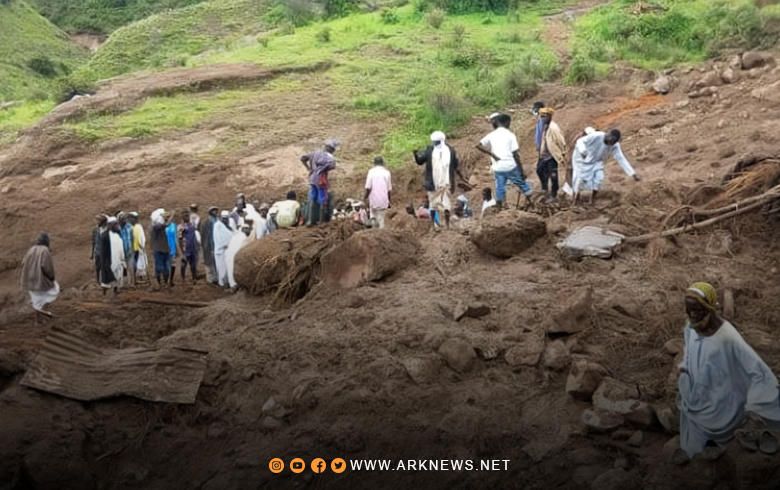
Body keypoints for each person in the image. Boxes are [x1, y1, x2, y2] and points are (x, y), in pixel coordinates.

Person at [676, 282, 780, 463]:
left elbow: (757, 369)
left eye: (697, 309)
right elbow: (691, 356)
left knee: (716, 422)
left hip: (725, 398)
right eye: (689, 309)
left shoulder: (727, 336)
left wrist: (758, 400)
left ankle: (743, 428)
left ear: (709, 307)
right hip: (701, 393)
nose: (692, 314)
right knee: (687, 402)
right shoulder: (690, 328)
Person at [476, 114, 533, 210]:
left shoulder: (491, 135)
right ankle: (531, 202)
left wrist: (492, 155)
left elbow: (478, 145)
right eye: (509, 123)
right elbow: (515, 155)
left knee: (500, 186)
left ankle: (499, 206)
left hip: (498, 167)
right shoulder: (510, 135)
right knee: (522, 183)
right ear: (506, 123)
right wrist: (521, 171)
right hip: (510, 166)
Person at [571, 129, 641, 205]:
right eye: (611, 141)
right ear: (609, 135)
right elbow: (580, 141)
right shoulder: (596, 135)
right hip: (582, 157)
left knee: (599, 178)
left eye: (614, 142)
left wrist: (632, 173)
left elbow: (621, 158)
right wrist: (583, 151)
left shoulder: (615, 145)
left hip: (597, 161)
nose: (611, 143)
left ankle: (592, 200)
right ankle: (575, 200)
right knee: (580, 178)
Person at [414, 131, 460, 228]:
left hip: (432, 183)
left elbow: (419, 161)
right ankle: (447, 224)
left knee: (433, 204)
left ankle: (434, 225)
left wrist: (415, 154)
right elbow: (455, 165)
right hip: (447, 182)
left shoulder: (429, 150)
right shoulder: (451, 150)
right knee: (446, 203)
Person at [301, 140, 338, 226]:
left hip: (312, 179)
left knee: (312, 199)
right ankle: (321, 222)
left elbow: (302, 158)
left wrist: (308, 168)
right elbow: (333, 166)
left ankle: (310, 221)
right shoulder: (329, 157)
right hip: (321, 180)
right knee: (322, 200)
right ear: (332, 149)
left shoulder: (315, 153)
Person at [20, 233, 58, 317]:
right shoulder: (45, 250)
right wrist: (51, 277)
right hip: (39, 280)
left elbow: (23, 262)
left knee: (35, 295)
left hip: (29, 279)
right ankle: (39, 309)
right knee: (54, 289)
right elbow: (47, 267)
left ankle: (37, 309)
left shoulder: (31, 249)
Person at [536, 107, 567, 203]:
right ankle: (545, 188)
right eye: (541, 117)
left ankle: (554, 195)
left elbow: (561, 141)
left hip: (552, 155)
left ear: (550, 116)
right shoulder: (545, 126)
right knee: (539, 170)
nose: (543, 118)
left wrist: (562, 152)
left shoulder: (553, 128)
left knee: (553, 175)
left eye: (545, 116)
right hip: (544, 154)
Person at [364, 156, 392, 229]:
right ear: (383, 163)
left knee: (373, 219)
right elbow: (389, 190)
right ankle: (381, 232)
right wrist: (389, 201)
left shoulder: (371, 172)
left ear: (374, 163)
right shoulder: (387, 173)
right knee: (381, 220)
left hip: (373, 200)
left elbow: (368, 187)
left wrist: (365, 197)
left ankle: (374, 231)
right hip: (383, 200)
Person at [101, 217, 125, 295]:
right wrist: (105, 262)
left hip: (118, 258)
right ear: (109, 225)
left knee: (118, 275)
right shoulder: (105, 236)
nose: (116, 226)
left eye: (116, 224)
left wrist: (122, 258)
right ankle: (104, 292)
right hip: (110, 259)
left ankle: (116, 290)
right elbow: (103, 251)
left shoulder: (118, 234)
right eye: (114, 224)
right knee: (108, 276)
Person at [226, 224, 252, 291]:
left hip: (231, 254)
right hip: (232, 255)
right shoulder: (243, 237)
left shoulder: (237, 235)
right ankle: (233, 287)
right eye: (246, 229)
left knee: (231, 270)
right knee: (232, 270)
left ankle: (233, 285)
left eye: (248, 229)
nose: (248, 230)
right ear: (242, 229)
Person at [150, 210, 170, 288]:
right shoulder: (156, 227)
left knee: (166, 269)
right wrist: (167, 222)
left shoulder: (158, 227)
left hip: (163, 250)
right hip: (159, 250)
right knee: (159, 268)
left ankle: (164, 283)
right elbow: (160, 226)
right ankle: (161, 283)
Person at [213, 210, 233, 288]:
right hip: (220, 251)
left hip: (227, 251)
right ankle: (223, 284)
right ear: (221, 218)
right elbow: (219, 239)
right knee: (222, 268)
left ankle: (227, 282)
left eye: (226, 218)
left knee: (227, 268)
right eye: (224, 218)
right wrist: (227, 244)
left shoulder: (228, 226)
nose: (225, 220)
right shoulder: (218, 225)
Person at [179, 211, 199, 284]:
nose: (186, 217)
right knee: (183, 264)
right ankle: (183, 279)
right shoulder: (181, 227)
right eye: (185, 216)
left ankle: (194, 278)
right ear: (182, 217)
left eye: (187, 215)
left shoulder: (192, 225)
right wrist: (182, 251)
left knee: (193, 264)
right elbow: (180, 238)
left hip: (193, 248)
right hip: (185, 248)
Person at [200, 206, 218, 284]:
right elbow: (202, 235)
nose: (215, 212)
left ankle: (216, 278)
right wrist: (204, 245)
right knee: (209, 263)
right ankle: (210, 279)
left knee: (216, 263)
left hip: (217, 245)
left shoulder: (218, 221)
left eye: (215, 210)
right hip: (208, 245)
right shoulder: (205, 222)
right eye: (213, 210)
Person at [129, 212, 147, 284]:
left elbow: (141, 238)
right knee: (134, 264)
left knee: (138, 263)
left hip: (137, 248)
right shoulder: (129, 227)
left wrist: (142, 245)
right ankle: (133, 279)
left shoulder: (138, 227)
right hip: (131, 249)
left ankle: (138, 278)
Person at [118, 212, 135, 287]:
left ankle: (131, 283)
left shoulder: (129, 227)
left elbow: (132, 238)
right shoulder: (117, 229)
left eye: (125, 218)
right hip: (120, 251)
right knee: (121, 268)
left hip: (129, 250)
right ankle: (121, 284)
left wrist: (133, 248)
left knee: (130, 267)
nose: (125, 220)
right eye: (123, 219)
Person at [90, 214, 107, 286]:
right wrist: (92, 253)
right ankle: (98, 280)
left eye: (98, 220)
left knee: (103, 266)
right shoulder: (95, 230)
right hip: (97, 251)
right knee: (97, 267)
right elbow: (93, 242)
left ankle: (103, 280)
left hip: (103, 251)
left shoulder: (105, 230)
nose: (97, 222)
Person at [165, 211, 179, 286]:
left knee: (172, 265)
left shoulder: (173, 225)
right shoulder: (163, 226)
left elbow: (175, 238)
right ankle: (168, 280)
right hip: (167, 248)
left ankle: (170, 280)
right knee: (168, 265)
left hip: (171, 248)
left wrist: (177, 249)